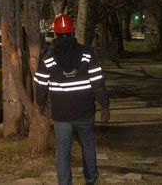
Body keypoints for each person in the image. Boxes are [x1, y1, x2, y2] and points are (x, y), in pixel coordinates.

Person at [34, 13, 110, 185]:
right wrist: (105, 106)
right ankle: (90, 180)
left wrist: (41, 103)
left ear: (55, 32)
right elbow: (98, 83)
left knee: (62, 151)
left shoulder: (47, 56)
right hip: (85, 111)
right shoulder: (87, 53)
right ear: (72, 30)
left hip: (61, 114)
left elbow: (40, 84)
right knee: (88, 145)